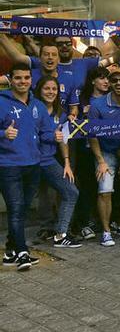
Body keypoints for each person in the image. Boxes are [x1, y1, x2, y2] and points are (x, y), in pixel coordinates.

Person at [0, 64, 50, 270]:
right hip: (8, 165)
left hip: (33, 165)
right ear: (10, 79)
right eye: (18, 78)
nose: (23, 82)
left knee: (22, 209)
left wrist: (54, 136)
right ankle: (22, 251)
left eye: (26, 78)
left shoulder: (38, 104)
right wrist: (3, 134)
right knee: (16, 209)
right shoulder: (1, 102)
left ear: (31, 80)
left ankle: (10, 250)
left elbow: (45, 131)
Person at [88, 67, 120, 247]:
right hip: (105, 152)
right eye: (115, 80)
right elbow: (92, 135)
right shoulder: (97, 105)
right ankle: (106, 232)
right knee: (105, 189)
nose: (118, 83)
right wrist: (101, 161)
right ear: (109, 83)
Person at [34, 76, 81, 248]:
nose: (51, 92)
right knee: (21, 201)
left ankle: (61, 234)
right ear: (39, 90)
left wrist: (67, 163)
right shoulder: (32, 109)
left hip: (48, 161)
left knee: (70, 192)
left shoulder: (60, 113)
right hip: (30, 162)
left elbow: (63, 139)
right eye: (47, 88)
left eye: (54, 89)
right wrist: (49, 137)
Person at [69, 66, 110, 240]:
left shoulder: (111, 99)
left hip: (107, 148)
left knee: (103, 187)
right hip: (85, 148)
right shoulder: (83, 100)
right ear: (93, 80)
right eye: (101, 78)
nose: (106, 81)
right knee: (86, 185)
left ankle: (101, 220)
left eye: (107, 78)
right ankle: (84, 223)